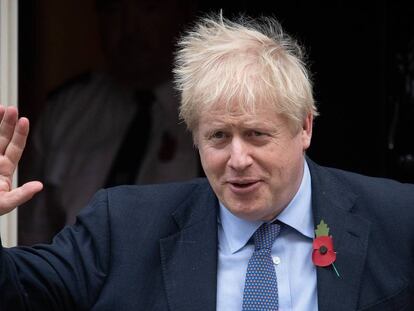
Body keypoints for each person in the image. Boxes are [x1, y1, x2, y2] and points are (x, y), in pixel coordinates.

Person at [1, 13, 414, 310]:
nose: (237, 159)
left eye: (256, 134)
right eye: (218, 136)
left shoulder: (399, 219)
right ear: (195, 137)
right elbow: (17, 290)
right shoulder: (123, 229)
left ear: (304, 127)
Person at [19, 0, 200, 244]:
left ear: (182, 15)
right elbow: (32, 233)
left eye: (149, 8)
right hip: (73, 276)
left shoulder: (209, 111)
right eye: (115, 10)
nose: (130, 28)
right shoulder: (68, 109)